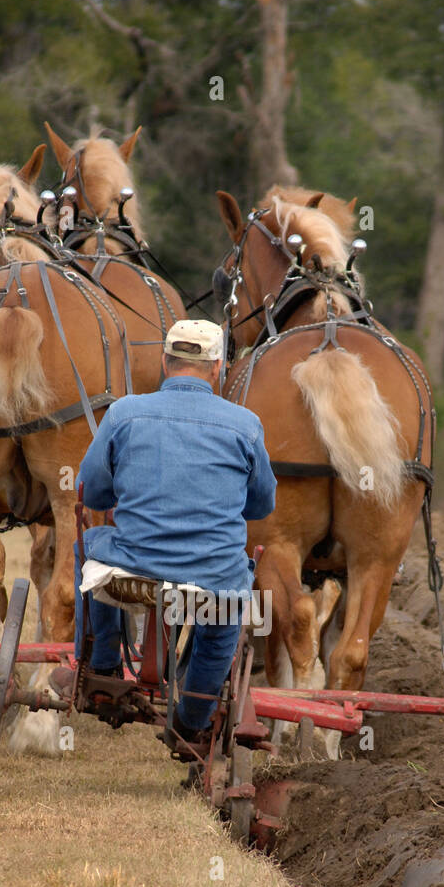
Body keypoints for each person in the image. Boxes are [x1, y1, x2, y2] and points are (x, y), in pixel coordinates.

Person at [75, 319, 275, 750]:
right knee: (224, 619)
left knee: (86, 547)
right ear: (218, 368)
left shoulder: (124, 412)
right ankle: (191, 723)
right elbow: (261, 505)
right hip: (213, 579)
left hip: (132, 569)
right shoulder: (246, 424)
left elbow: (91, 489)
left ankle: (104, 664)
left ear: (166, 362)